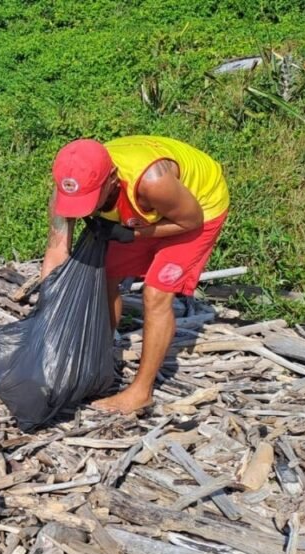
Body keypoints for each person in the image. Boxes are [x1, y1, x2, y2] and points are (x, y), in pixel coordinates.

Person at [41, 136, 230, 414]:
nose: (86, 210)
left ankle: (141, 392)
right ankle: (99, 357)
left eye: (90, 200)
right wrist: (47, 313)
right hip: (143, 213)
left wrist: (130, 234)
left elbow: (191, 220)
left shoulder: (153, 181)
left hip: (198, 208)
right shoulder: (69, 187)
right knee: (104, 273)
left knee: (156, 293)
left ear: (112, 179)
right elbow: (56, 251)